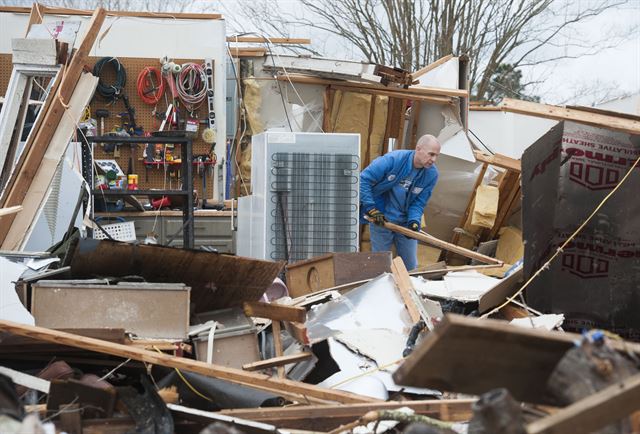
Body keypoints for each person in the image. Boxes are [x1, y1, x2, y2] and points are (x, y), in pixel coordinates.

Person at [360, 134, 441, 270]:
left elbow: (419, 202)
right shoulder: (393, 160)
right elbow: (363, 179)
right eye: (431, 154)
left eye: (437, 156)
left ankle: (408, 290)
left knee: (410, 266)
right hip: (381, 217)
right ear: (418, 149)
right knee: (381, 264)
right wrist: (370, 208)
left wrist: (414, 221)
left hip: (405, 222)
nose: (433, 159)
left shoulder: (431, 174)